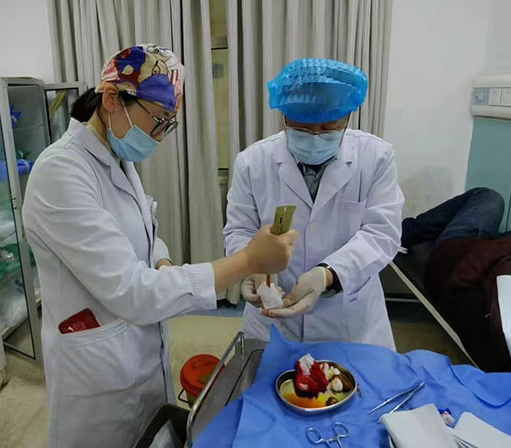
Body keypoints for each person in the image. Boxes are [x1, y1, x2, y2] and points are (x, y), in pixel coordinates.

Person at [22, 44, 297, 448]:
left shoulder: (117, 159)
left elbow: (143, 232)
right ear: (112, 98)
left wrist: (163, 261)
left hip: (142, 351)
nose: (159, 137)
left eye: (169, 124)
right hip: (96, 377)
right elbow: (132, 291)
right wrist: (246, 261)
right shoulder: (60, 173)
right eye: (157, 120)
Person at [224, 58, 404, 349]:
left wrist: (328, 274)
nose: (315, 136)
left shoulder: (376, 157)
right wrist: (252, 268)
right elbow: (239, 230)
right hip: (273, 320)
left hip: (348, 317)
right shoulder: (252, 162)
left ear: (347, 117)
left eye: (328, 126)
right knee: (268, 375)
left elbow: (382, 234)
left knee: (352, 377)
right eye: (303, 127)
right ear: (284, 117)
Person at [401, 186, 511, 370]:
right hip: (506, 254)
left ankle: (401, 233)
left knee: (490, 197)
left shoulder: (507, 328)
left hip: (462, 251)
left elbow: (463, 275)